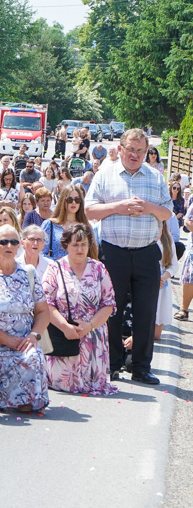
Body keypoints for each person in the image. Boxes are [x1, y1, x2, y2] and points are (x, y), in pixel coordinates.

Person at [85, 129, 171, 384]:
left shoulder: (155, 177)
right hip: (114, 253)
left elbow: (167, 212)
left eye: (140, 151)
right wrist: (118, 207)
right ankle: (112, 363)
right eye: (131, 150)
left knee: (146, 311)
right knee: (112, 310)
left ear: (146, 152)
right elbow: (90, 210)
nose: (135, 155)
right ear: (121, 149)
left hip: (146, 253)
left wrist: (148, 207)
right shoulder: (105, 175)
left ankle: (141, 367)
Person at [0, 224, 50, 411]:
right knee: (0, 403)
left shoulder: (28, 273)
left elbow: (43, 311)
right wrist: (8, 340)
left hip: (24, 344)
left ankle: (20, 399)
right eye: (3, 242)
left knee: (28, 405)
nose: (9, 246)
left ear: (19, 245)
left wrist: (34, 336)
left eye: (13, 242)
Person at [41, 224, 118, 395]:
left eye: (83, 244)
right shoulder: (55, 268)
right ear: (66, 246)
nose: (80, 248)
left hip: (92, 337)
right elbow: (46, 303)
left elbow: (109, 303)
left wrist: (89, 325)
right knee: (62, 385)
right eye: (75, 244)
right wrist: (65, 327)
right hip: (64, 334)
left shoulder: (99, 268)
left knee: (92, 385)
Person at [41, 185, 88, 260]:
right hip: (57, 269)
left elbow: (92, 254)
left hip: (81, 270)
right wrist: (59, 262)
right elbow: (41, 254)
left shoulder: (86, 225)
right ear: (63, 201)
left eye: (77, 200)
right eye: (69, 200)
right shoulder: (50, 224)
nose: (73, 203)